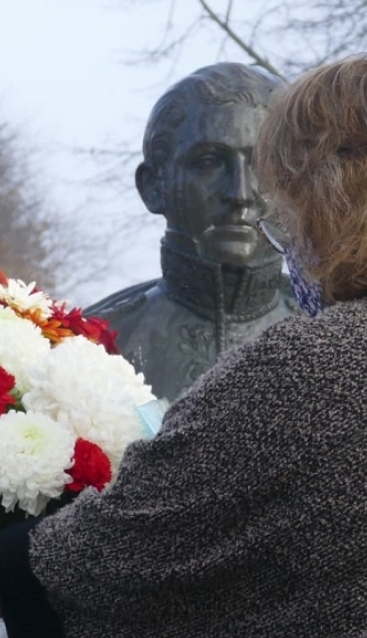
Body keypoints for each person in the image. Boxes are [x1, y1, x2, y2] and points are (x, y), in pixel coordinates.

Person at [0, 54, 367, 638]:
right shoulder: (89, 337)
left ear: (328, 198)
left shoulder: (316, 362)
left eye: (274, 182)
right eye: (212, 163)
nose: (248, 201)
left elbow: (133, 540)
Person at [85, 62, 297, 402]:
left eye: (263, 166)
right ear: (154, 186)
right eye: (209, 162)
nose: (240, 194)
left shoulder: (342, 340)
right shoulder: (91, 347)